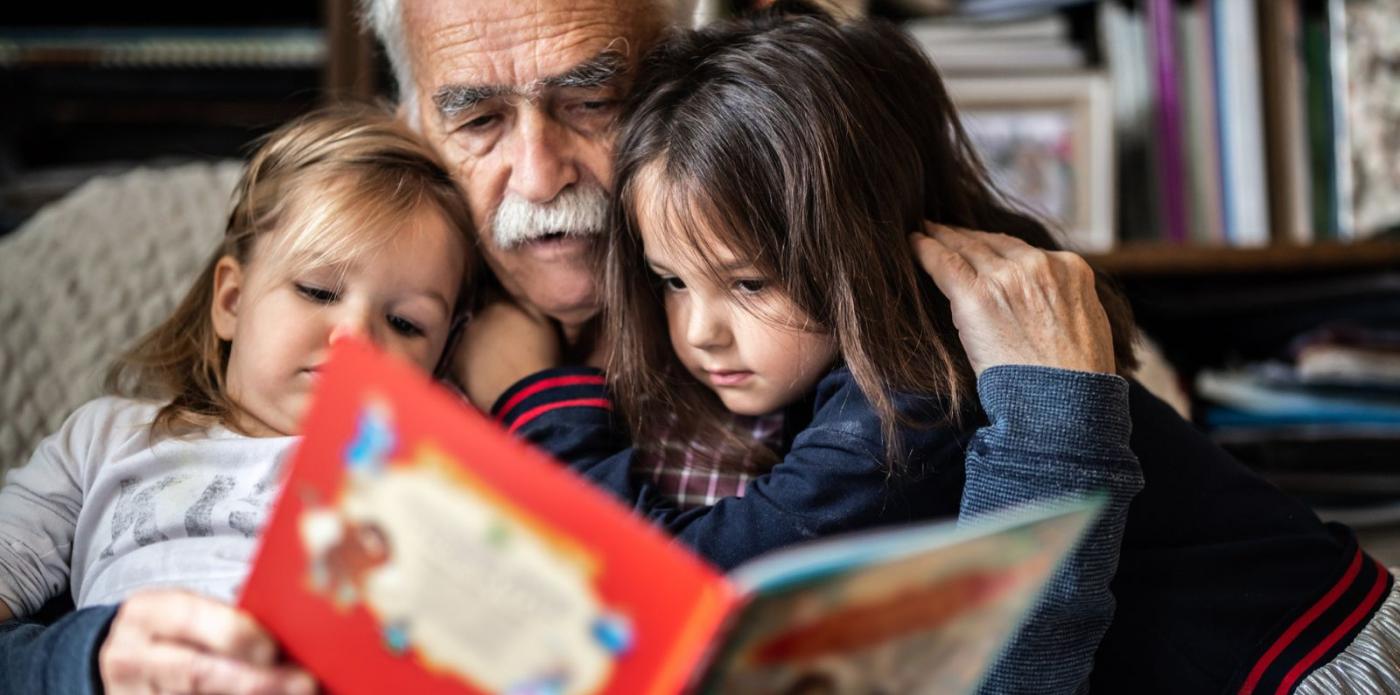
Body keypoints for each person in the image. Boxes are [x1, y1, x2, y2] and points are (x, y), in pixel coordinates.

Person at [460, 7, 1400, 695]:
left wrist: (542, 398)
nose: (699, 329)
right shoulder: (850, 367)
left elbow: (671, 591)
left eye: (749, 284)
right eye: (672, 281)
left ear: (860, 252)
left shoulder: (912, 391)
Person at [0, 105, 478, 694]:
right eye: (317, 290)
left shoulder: (431, 458)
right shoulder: (105, 440)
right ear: (230, 300)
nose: (355, 337)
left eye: (406, 324)